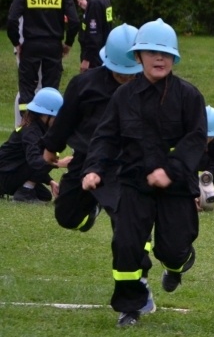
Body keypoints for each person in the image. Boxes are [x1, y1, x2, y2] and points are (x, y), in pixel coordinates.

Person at [82, 18, 207, 328]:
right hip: (134, 183)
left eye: (165, 54)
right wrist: (94, 169)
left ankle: (178, 264)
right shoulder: (123, 98)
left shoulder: (189, 97)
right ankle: (130, 306)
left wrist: (171, 171)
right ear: (138, 57)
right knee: (126, 244)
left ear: (174, 58)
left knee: (173, 248)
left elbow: (195, 140)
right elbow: (105, 137)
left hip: (175, 186)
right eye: (151, 52)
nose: (159, 59)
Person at [42, 24, 142, 233]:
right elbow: (65, 120)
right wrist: (51, 148)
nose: (126, 77)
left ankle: (138, 248)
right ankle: (92, 207)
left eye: (131, 72)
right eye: (121, 72)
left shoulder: (149, 87)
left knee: (126, 219)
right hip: (86, 157)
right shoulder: (83, 84)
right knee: (66, 216)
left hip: (127, 161)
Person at [7, 0, 80, 119]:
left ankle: (25, 131)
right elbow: (74, 21)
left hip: (31, 46)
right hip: (54, 46)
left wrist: (17, 42)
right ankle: (47, 132)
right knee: (50, 92)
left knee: (26, 91)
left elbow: (12, 20)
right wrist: (68, 44)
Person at [0, 87, 71, 202]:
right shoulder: (31, 132)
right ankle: (24, 192)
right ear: (45, 115)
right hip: (5, 176)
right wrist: (60, 163)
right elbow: (34, 162)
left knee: (45, 196)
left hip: (12, 172)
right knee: (45, 159)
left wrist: (50, 181)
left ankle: (26, 189)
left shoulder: (40, 129)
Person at [12, 0, 41, 129]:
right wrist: (18, 43)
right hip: (25, 45)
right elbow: (17, 21)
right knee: (27, 87)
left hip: (31, 45)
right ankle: (21, 123)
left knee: (35, 86)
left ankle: (31, 122)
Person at [76, 0, 113, 73]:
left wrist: (87, 59)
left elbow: (94, 35)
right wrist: (87, 8)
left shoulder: (95, 3)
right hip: (102, 52)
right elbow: (102, 22)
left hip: (93, 57)